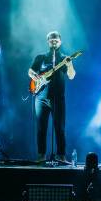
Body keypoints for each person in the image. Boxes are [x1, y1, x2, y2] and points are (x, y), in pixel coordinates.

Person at [28, 31, 75, 162]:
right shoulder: (40, 57)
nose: (54, 42)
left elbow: (71, 76)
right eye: (51, 40)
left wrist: (69, 64)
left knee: (60, 128)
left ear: (60, 42)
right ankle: (41, 155)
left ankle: (61, 155)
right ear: (48, 41)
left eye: (56, 40)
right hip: (41, 98)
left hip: (58, 99)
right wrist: (34, 76)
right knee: (41, 128)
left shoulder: (64, 58)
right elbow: (30, 71)